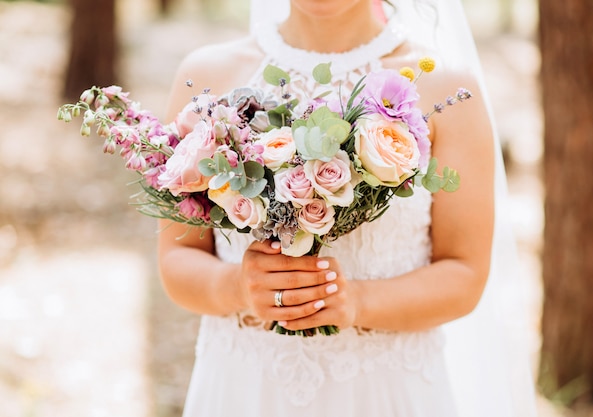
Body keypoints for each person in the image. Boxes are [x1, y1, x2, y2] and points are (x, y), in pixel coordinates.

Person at [157, 0, 538, 416]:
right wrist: (237, 288)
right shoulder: (208, 77)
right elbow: (178, 257)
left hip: (385, 394)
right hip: (246, 390)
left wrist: (356, 302)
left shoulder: (445, 90)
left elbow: (464, 273)